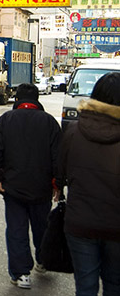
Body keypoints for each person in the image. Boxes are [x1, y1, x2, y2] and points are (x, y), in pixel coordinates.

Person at [0, 83, 62, 289]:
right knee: (42, 226)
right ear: (37, 100)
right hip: (42, 187)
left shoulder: (5, 121)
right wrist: (58, 183)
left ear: (17, 99)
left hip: (13, 188)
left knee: (16, 229)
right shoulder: (50, 123)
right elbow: (59, 157)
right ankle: (43, 261)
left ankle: (21, 274)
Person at [57, 72, 120, 296]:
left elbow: (59, 172)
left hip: (80, 222)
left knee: (85, 286)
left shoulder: (73, 131)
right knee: (115, 284)